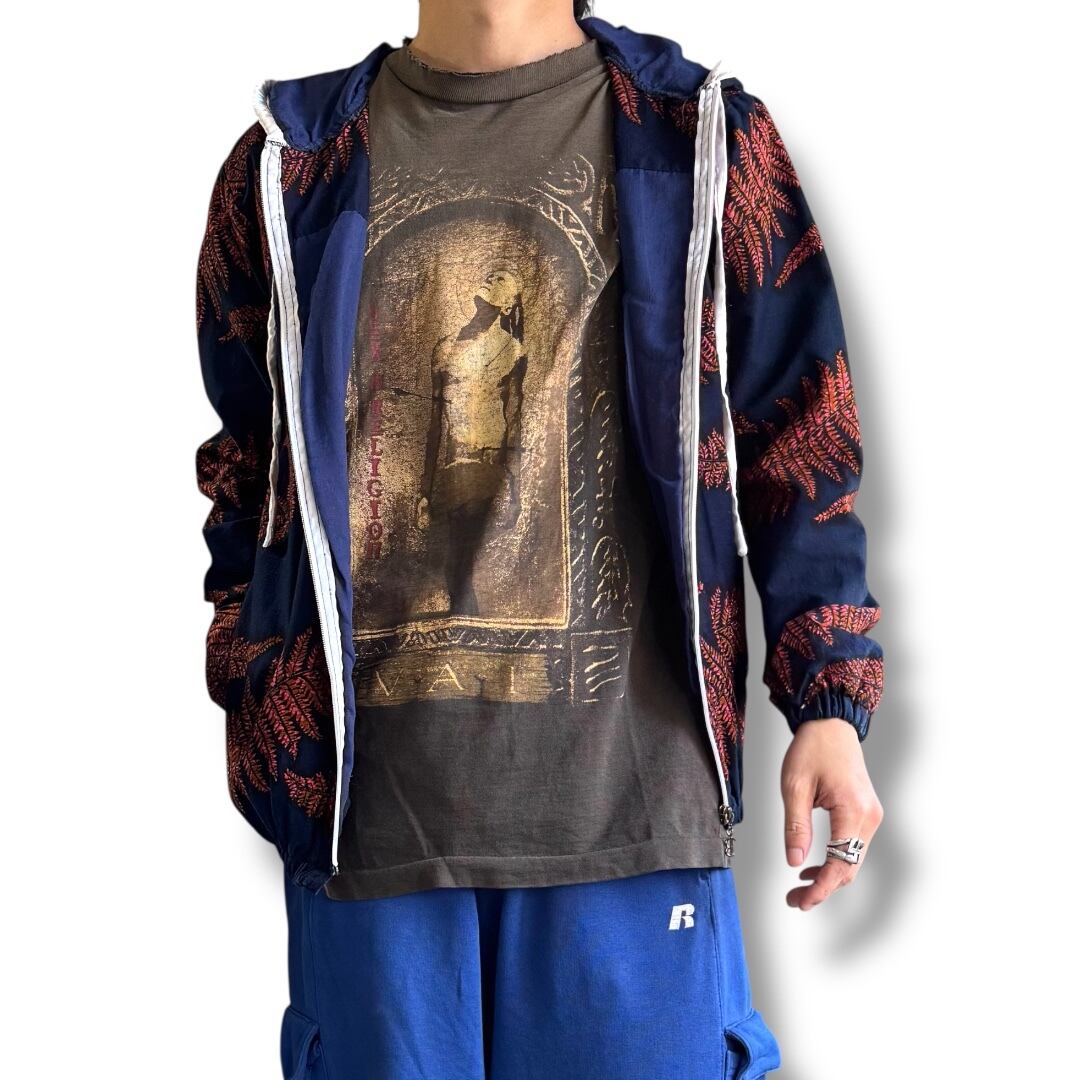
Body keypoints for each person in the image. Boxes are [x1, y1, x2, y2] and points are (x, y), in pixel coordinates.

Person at [194, 2, 886, 1076]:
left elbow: (800, 431)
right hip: (371, 839)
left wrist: (829, 701)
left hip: (634, 816)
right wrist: (261, 700)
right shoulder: (288, 167)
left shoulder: (701, 139)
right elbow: (249, 473)